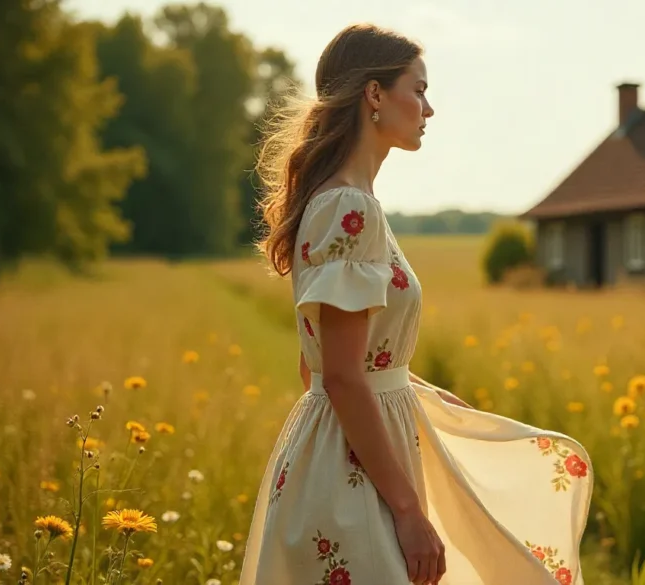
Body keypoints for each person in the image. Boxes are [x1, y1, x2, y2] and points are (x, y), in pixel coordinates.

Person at [240, 23, 593, 585]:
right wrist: (406, 509)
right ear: (374, 95)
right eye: (419, 89)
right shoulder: (349, 208)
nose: (429, 109)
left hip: (348, 450)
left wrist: (408, 389)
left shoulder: (345, 202)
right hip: (351, 470)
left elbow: (321, 365)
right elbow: (340, 377)